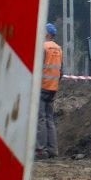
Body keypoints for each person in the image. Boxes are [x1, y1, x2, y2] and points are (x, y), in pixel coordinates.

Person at [36, 22, 62, 160]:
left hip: (41, 87)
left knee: (40, 119)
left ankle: (41, 150)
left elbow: (37, 67)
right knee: (49, 119)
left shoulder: (43, 47)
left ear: (47, 34)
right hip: (53, 88)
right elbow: (60, 71)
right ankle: (53, 149)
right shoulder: (59, 48)